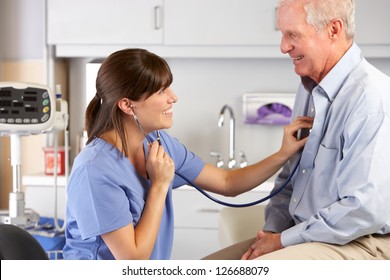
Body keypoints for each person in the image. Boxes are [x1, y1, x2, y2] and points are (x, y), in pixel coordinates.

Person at [62, 48, 312, 260]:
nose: (174, 97)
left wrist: (283, 154)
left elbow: (228, 183)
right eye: (161, 91)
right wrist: (159, 186)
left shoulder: (159, 145)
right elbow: (133, 260)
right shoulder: (95, 169)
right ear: (128, 105)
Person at [204, 0, 390, 260]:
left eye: (293, 34)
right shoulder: (309, 90)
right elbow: (290, 181)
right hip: (306, 234)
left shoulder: (372, 98)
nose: (283, 47)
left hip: (358, 240)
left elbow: (363, 210)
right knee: (207, 267)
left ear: (334, 30)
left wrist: (282, 241)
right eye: (282, 34)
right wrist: (270, 233)